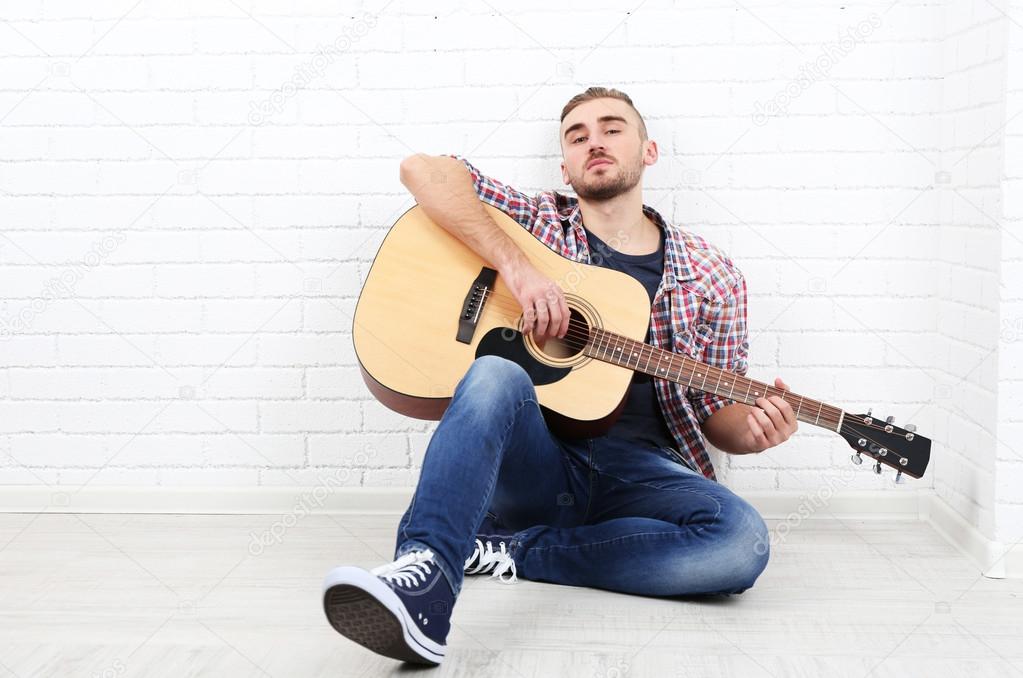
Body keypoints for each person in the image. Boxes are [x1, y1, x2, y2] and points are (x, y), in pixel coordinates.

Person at [322, 87, 798, 666]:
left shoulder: (713, 274)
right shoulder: (540, 223)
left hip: (644, 479)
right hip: (537, 462)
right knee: (496, 371)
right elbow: (424, 171)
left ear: (649, 151)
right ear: (566, 167)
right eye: (577, 135)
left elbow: (712, 413)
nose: (594, 140)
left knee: (739, 543)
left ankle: (508, 551)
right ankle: (423, 583)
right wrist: (518, 271)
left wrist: (750, 432)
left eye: (612, 128)